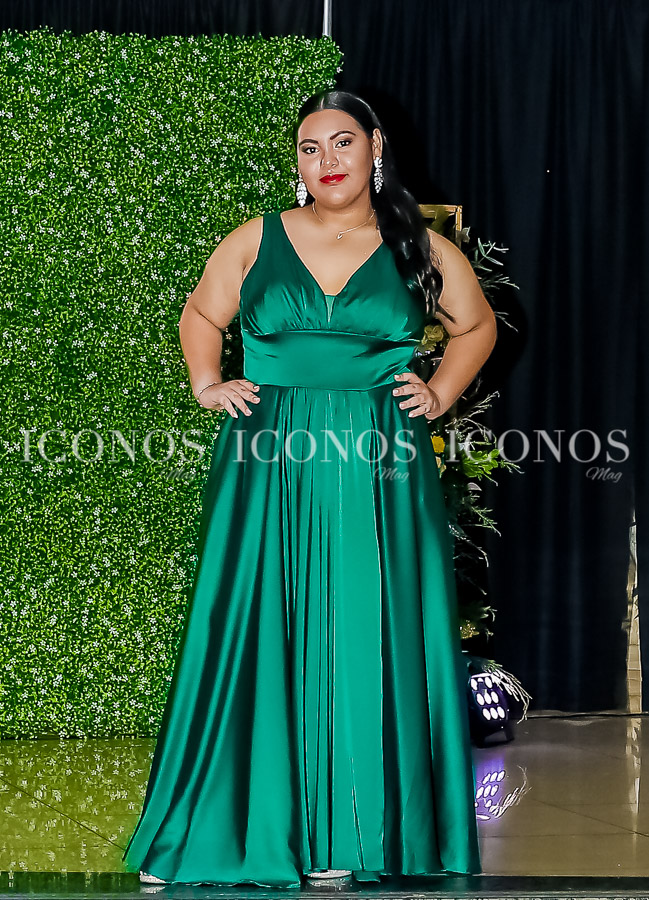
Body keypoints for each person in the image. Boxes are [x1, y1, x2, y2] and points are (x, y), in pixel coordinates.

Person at [122, 89, 497, 888]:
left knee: (361, 630)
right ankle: (212, 828)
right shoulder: (256, 237)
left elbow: (477, 326)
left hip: (377, 461)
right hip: (269, 457)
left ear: (375, 148)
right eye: (309, 147)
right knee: (253, 626)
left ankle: (346, 836)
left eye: (341, 142)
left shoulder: (420, 247)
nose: (325, 160)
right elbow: (201, 315)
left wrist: (439, 393)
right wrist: (206, 381)